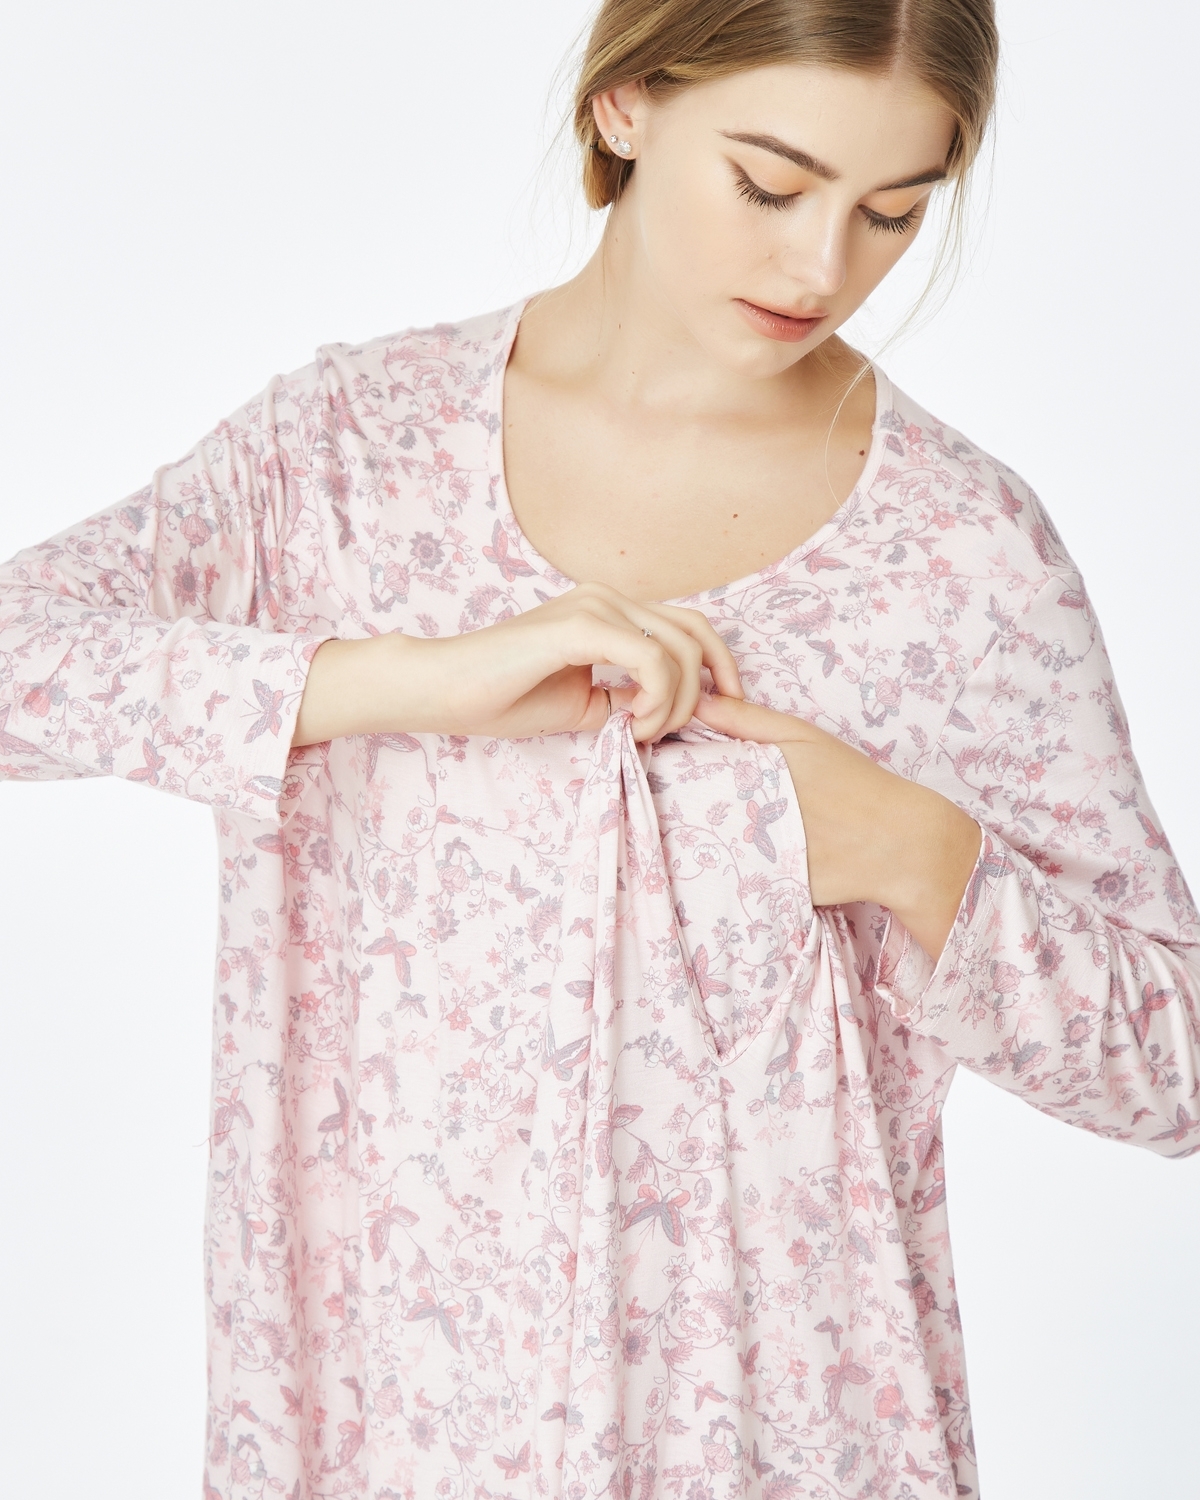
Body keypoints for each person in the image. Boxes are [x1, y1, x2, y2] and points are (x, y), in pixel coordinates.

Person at [0, 0, 1196, 1495]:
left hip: (790, 1449)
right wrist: (402, 681)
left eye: (895, 212)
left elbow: (1176, 1065)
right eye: (770, 184)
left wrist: (907, 846)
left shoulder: (962, 555)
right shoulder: (347, 460)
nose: (822, 269)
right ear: (625, 103)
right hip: (392, 1433)